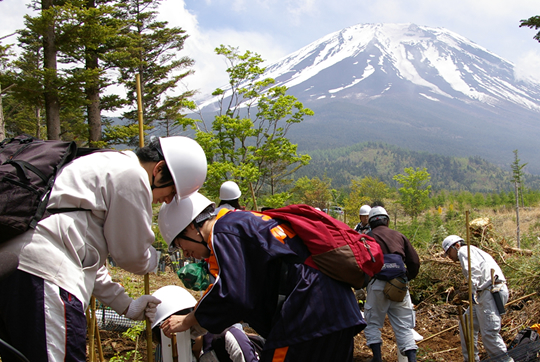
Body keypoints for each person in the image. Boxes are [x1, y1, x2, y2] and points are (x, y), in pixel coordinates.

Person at [0, 136, 207, 362]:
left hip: (18, 273)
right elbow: (132, 257)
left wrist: (126, 305)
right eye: (172, 191)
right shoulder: (132, 174)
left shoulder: (102, 164)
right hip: (46, 280)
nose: (167, 200)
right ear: (159, 169)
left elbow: (86, 259)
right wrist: (156, 259)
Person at [157, 193, 366, 362]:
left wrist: (189, 319)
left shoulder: (223, 230)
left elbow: (232, 294)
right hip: (336, 312)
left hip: (307, 318)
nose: (184, 253)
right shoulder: (244, 222)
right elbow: (249, 295)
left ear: (191, 227)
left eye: (179, 244)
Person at [442, 235, 513, 362]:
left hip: (489, 293)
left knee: (489, 334)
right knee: (466, 323)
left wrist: (472, 291)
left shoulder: (464, 251)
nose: (449, 257)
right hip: (485, 293)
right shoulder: (474, 251)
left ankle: (505, 361)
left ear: (456, 246)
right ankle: (471, 359)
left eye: (449, 252)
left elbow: (473, 271)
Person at [363, 206, 421, 362]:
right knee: (404, 326)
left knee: (372, 323)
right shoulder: (399, 236)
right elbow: (414, 262)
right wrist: (406, 278)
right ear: (387, 220)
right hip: (399, 286)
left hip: (377, 285)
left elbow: (360, 263)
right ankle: (412, 360)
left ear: (370, 222)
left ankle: (377, 358)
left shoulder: (367, 237)